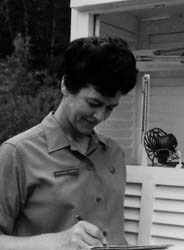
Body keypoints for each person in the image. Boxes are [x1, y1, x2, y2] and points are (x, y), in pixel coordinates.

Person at [0, 36, 138, 250]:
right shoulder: (17, 153)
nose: (100, 117)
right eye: (93, 103)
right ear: (65, 85)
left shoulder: (114, 154)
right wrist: (57, 242)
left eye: (110, 108)